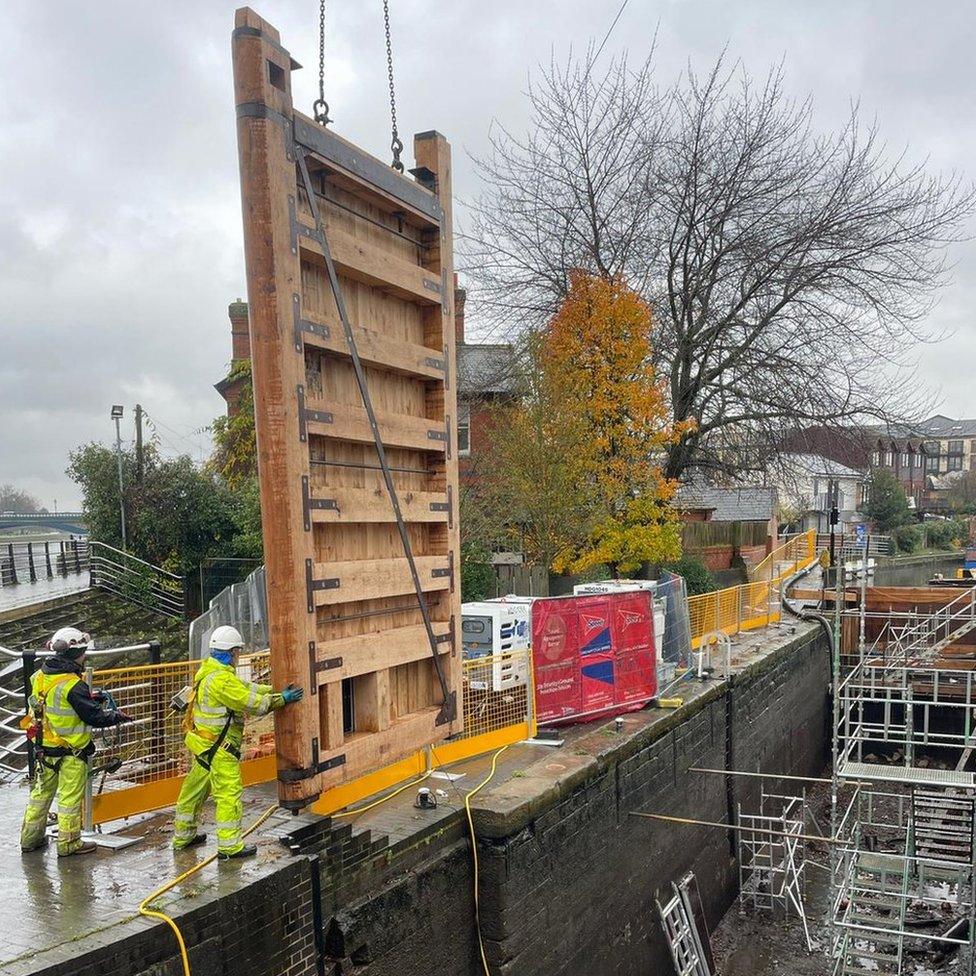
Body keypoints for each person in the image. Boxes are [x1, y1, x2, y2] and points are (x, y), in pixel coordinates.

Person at [172, 626, 304, 859]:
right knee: (228, 795)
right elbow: (254, 704)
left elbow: (247, 687)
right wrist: (281, 699)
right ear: (232, 652)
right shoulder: (222, 681)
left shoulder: (209, 672)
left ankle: (183, 836)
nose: (239, 656)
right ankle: (230, 846)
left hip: (204, 745)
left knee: (193, 791)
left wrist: (272, 689)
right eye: (238, 652)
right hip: (220, 749)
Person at [20, 627, 132, 857]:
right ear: (76, 654)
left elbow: (56, 703)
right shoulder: (73, 685)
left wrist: (89, 699)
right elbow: (95, 717)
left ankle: (30, 839)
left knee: (40, 795)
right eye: (83, 653)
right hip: (71, 752)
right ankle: (69, 844)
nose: (85, 657)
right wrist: (117, 716)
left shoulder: (39, 676)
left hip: (43, 749)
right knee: (69, 800)